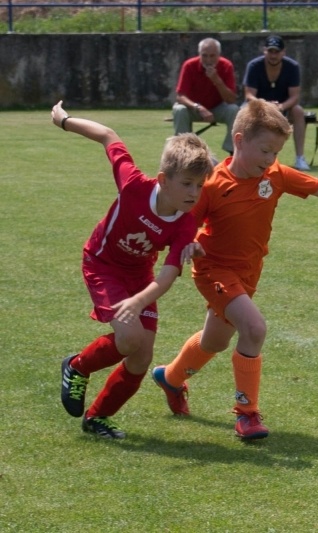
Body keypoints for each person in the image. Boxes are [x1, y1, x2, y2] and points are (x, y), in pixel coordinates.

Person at [151, 100, 318, 440]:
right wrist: (189, 244)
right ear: (238, 140)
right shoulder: (213, 185)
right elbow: (184, 225)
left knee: (214, 341)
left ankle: (171, 378)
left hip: (248, 273)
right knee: (254, 328)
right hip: (214, 272)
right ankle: (247, 414)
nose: (270, 159)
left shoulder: (275, 175)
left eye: (276, 152)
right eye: (265, 150)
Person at [53, 100, 214, 439]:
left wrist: (140, 300)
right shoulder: (133, 185)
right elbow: (108, 136)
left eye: (200, 185)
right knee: (129, 338)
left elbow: (167, 276)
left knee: (141, 357)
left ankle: (98, 417)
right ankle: (77, 367)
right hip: (103, 265)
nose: (194, 193)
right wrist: (65, 121)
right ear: (163, 180)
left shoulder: (185, 223)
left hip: (140, 278)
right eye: (187, 183)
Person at [243, 34, 310, 171]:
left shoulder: (292, 67)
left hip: (283, 109)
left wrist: (281, 107)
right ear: (264, 51)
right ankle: (242, 156)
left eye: (277, 52)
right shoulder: (254, 66)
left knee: (298, 111)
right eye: (270, 51)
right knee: (242, 111)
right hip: (259, 109)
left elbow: (295, 96)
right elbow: (249, 95)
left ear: (283, 52)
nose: (273, 55)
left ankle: (300, 158)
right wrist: (265, 106)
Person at [173, 37, 240, 156]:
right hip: (194, 109)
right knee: (179, 109)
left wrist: (217, 80)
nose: (208, 60)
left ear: (219, 55)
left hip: (217, 108)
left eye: (212, 56)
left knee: (234, 110)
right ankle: (182, 151)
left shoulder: (226, 66)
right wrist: (198, 107)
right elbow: (180, 96)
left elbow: (231, 99)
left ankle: (233, 151)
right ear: (199, 54)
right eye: (204, 56)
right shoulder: (189, 65)